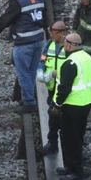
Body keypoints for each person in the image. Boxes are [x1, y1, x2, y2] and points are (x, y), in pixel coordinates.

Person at [0, 0, 46, 114]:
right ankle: (29, 97)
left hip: (24, 43)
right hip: (38, 41)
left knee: (23, 73)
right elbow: (44, 20)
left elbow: (4, 20)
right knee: (31, 72)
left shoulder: (18, 2)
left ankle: (29, 102)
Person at [51, 34, 91, 180]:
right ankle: (71, 166)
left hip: (72, 105)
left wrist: (57, 104)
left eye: (65, 44)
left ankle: (75, 171)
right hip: (85, 103)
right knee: (78, 136)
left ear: (69, 45)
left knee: (70, 139)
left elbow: (65, 88)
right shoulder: (88, 58)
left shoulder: (70, 63)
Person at [37, 21, 68, 154]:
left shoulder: (70, 47)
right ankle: (53, 142)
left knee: (59, 116)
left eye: (54, 33)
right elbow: (43, 60)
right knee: (52, 115)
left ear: (63, 33)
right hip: (52, 88)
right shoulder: (49, 45)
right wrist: (40, 73)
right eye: (51, 33)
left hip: (64, 90)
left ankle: (58, 143)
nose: (52, 35)